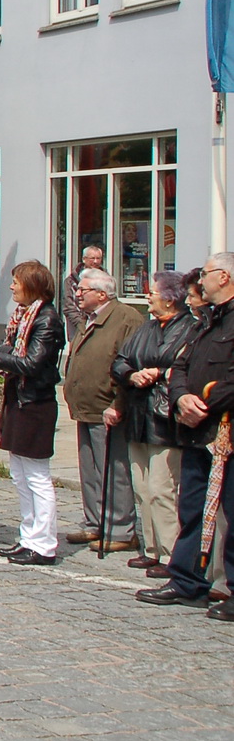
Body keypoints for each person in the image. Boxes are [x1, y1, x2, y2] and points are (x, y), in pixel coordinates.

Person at [138, 252, 234, 619]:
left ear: (223, 277)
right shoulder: (206, 321)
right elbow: (180, 365)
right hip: (196, 433)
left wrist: (205, 402)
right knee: (191, 508)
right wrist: (181, 398)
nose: (199, 281)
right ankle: (186, 580)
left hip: (223, 429)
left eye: (206, 274)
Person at [111, 271, 194, 575]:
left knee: (162, 489)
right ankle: (152, 548)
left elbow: (178, 362)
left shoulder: (188, 327)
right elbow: (121, 359)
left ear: (170, 298)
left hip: (165, 418)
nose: (148, 297)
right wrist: (132, 374)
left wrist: (156, 372)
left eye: (153, 292)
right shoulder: (146, 327)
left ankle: (173, 554)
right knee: (142, 487)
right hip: (138, 414)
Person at [0, 260, 66, 566]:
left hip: (36, 403)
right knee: (19, 475)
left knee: (37, 476)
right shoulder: (23, 318)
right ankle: (28, 535)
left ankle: (44, 543)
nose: (12, 287)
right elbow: (12, 349)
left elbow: (32, 363)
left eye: (17, 282)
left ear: (32, 285)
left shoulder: (46, 319)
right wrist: (1, 353)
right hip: (19, 401)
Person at [62, 267, 143, 553]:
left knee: (114, 469)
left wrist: (118, 403)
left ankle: (121, 528)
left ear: (101, 293)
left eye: (83, 290)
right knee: (91, 469)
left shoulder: (125, 319)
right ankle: (96, 521)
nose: (77, 293)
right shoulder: (90, 318)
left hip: (108, 408)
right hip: (86, 407)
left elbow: (129, 364)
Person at [61, 245, 107, 344]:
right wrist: (82, 324)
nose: (95, 261)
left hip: (101, 325)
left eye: (98, 258)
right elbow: (68, 307)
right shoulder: (71, 281)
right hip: (77, 327)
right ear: (84, 259)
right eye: (92, 258)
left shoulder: (106, 280)